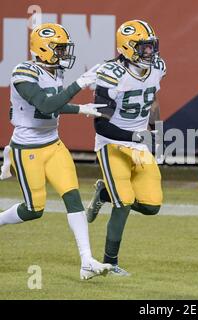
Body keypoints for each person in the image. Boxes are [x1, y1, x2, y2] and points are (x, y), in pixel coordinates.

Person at [0, 23, 113, 280]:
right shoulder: (23, 72)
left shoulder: (55, 71)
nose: (64, 54)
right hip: (28, 148)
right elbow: (45, 103)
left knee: (72, 198)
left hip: (53, 144)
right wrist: (79, 85)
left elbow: (54, 108)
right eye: (59, 49)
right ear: (43, 48)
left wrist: (80, 108)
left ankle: (87, 261)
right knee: (33, 210)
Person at [85, 20, 166, 275]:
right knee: (125, 202)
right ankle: (111, 262)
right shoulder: (111, 74)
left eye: (152, 47)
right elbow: (101, 126)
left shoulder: (157, 69)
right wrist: (136, 136)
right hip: (112, 144)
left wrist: (156, 132)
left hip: (138, 142)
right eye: (144, 48)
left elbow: (152, 101)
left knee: (152, 205)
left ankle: (103, 194)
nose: (150, 53)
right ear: (128, 48)